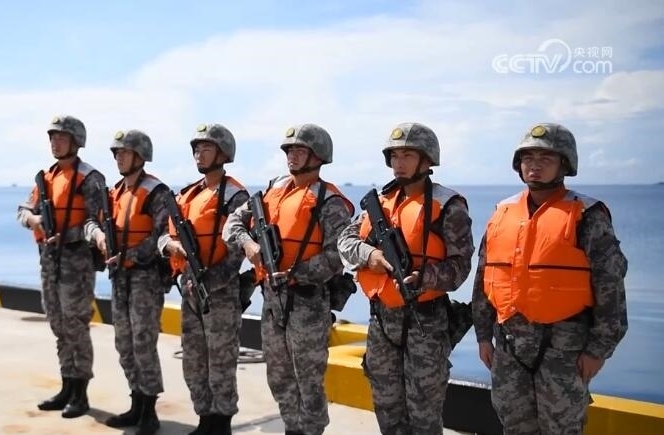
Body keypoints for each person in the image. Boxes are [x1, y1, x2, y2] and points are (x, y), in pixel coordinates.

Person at [472, 123, 628, 434]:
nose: (535, 165)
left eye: (546, 158)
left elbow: (611, 288)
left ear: (564, 164)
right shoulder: (502, 213)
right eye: (528, 158)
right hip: (509, 348)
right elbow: (485, 278)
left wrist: (598, 350)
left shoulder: (587, 215)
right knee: (514, 426)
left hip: (564, 352)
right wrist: (483, 335)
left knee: (562, 428)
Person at [337, 122, 475, 434]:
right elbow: (344, 241)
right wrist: (369, 256)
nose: (399, 163)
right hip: (382, 321)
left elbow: (460, 268)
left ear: (427, 160)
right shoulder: (379, 203)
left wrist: (424, 277)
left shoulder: (448, 205)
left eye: (408, 155)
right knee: (386, 406)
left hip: (426, 322)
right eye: (395, 156)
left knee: (424, 412)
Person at [223, 124, 352, 435]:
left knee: (308, 379)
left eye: (300, 150)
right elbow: (233, 223)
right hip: (272, 301)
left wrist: (297, 273)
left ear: (318, 156)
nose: (292, 155)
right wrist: (248, 244)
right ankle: (292, 428)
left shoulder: (330, 202)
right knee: (278, 376)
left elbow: (339, 255)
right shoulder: (273, 190)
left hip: (308, 304)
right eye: (289, 150)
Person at [158, 123, 249, 435]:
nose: (199, 153)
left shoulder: (235, 196)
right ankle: (204, 419)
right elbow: (165, 235)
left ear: (223, 153)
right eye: (196, 149)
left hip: (219, 292)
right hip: (190, 290)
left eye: (206, 148)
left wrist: (210, 280)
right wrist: (170, 247)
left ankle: (221, 423)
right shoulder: (188, 194)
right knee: (194, 358)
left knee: (221, 360)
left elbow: (238, 249)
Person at [17, 115, 106, 418]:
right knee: (58, 325)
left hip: (76, 264)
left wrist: (65, 234)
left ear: (76, 142)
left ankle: (81, 392)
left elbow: (97, 223)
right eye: (53, 138)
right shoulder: (46, 177)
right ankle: (67, 386)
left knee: (76, 326)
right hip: (49, 263)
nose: (55, 143)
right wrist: (33, 220)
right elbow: (23, 209)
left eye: (62, 138)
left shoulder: (90, 178)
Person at [90, 129, 174, 435]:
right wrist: (98, 236)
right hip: (120, 279)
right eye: (116, 153)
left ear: (140, 156)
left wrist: (129, 255)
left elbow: (162, 236)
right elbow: (92, 222)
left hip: (145, 279)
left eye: (124, 153)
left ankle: (149, 411)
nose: (118, 158)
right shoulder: (114, 192)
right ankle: (136, 403)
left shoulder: (157, 192)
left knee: (143, 343)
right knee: (123, 343)